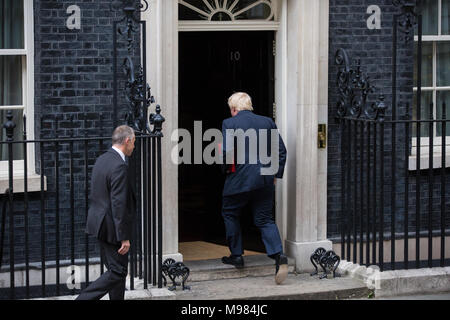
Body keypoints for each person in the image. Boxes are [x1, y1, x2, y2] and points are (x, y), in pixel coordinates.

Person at [221, 92, 288, 285]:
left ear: (234, 108)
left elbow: (226, 153)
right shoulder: (267, 122)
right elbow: (281, 151)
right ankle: (278, 255)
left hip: (239, 180)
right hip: (265, 179)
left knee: (230, 213)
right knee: (264, 219)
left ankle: (236, 255)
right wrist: (275, 174)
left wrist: (224, 171)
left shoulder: (229, 123)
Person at [76, 125, 136, 300]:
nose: (134, 146)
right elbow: (118, 203)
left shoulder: (102, 159)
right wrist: (123, 236)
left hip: (99, 223)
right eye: (134, 142)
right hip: (112, 228)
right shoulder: (119, 166)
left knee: (115, 270)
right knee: (118, 271)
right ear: (127, 140)